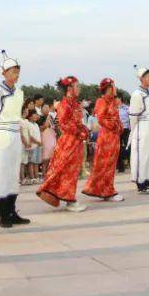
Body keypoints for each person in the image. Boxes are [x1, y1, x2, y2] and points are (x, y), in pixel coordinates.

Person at [0, 51, 29, 228]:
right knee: (2, 174)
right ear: (3, 73)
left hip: (15, 134)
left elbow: (18, 117)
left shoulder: (20, 93)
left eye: (18, 71)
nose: (15, 75)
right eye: (12, 71)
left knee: (13, 174)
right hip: (1, 134)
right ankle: (4, 215)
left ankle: (12, 211)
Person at [36, 76, 89, 211]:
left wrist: (84, 129)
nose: (79, 89)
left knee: (72, 171)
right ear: (69, 89)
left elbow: (78, 123)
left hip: (76, 141)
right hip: (68, 142)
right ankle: (69, 200)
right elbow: (64, 125)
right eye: (77, 86)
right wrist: (79, 132)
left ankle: (69, 197)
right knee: (65, 170)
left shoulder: (76, 104)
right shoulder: (63, 104)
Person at [82, 78, 125, 201]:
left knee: (110, 165)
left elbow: (116, 118)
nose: (115, 89)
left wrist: (119, 127)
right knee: (105, 164)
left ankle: (106, 189)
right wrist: (115, 126)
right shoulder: (101, 101)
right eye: (113, 87)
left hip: (114, 137)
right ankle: (107, 191)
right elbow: (101, 119)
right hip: (107, 137)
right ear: (107, 89)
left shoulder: (112, 102)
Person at [129, 66, 149, 191]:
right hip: (141, 126)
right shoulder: (137, 94)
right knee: (141, 154)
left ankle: (148, 181)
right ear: (141, 78)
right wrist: (134, 131)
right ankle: (140, 183)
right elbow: (133, 115)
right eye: (148, 77)